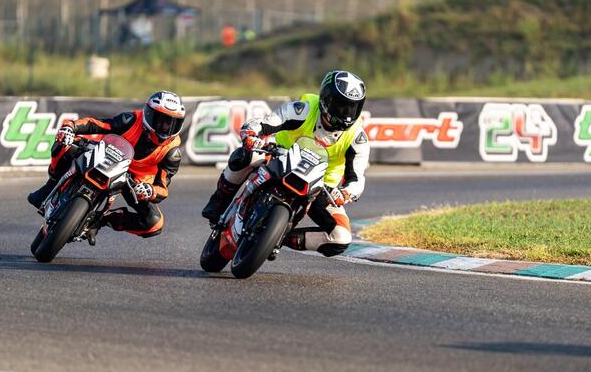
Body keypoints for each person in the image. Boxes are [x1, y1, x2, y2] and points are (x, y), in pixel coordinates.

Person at [201, 70, 370, 257]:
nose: (347, 114)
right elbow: (268, 122)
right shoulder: (305, 108)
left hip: (320, 186)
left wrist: (346, 193)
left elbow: (357, 177)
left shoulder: (357, 137)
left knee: (341, 237)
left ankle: (279, 237)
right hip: (281, 156)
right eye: (341, 106)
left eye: (352, 108)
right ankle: (219, 201)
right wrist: (251, 134)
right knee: (245, 156)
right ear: (326, 100)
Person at [28, 91, 185, 243]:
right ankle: (50, 185)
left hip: (134, 182)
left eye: (171, 123)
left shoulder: (172, 152)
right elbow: (98, 124)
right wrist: (71, 127)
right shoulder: (130, 120)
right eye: (160, 120)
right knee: (65, 143)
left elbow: (163, 187)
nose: (165, 127)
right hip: (109, 155)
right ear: (149, 115)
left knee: (155, 223)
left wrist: (150, 191)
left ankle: (101, 220)